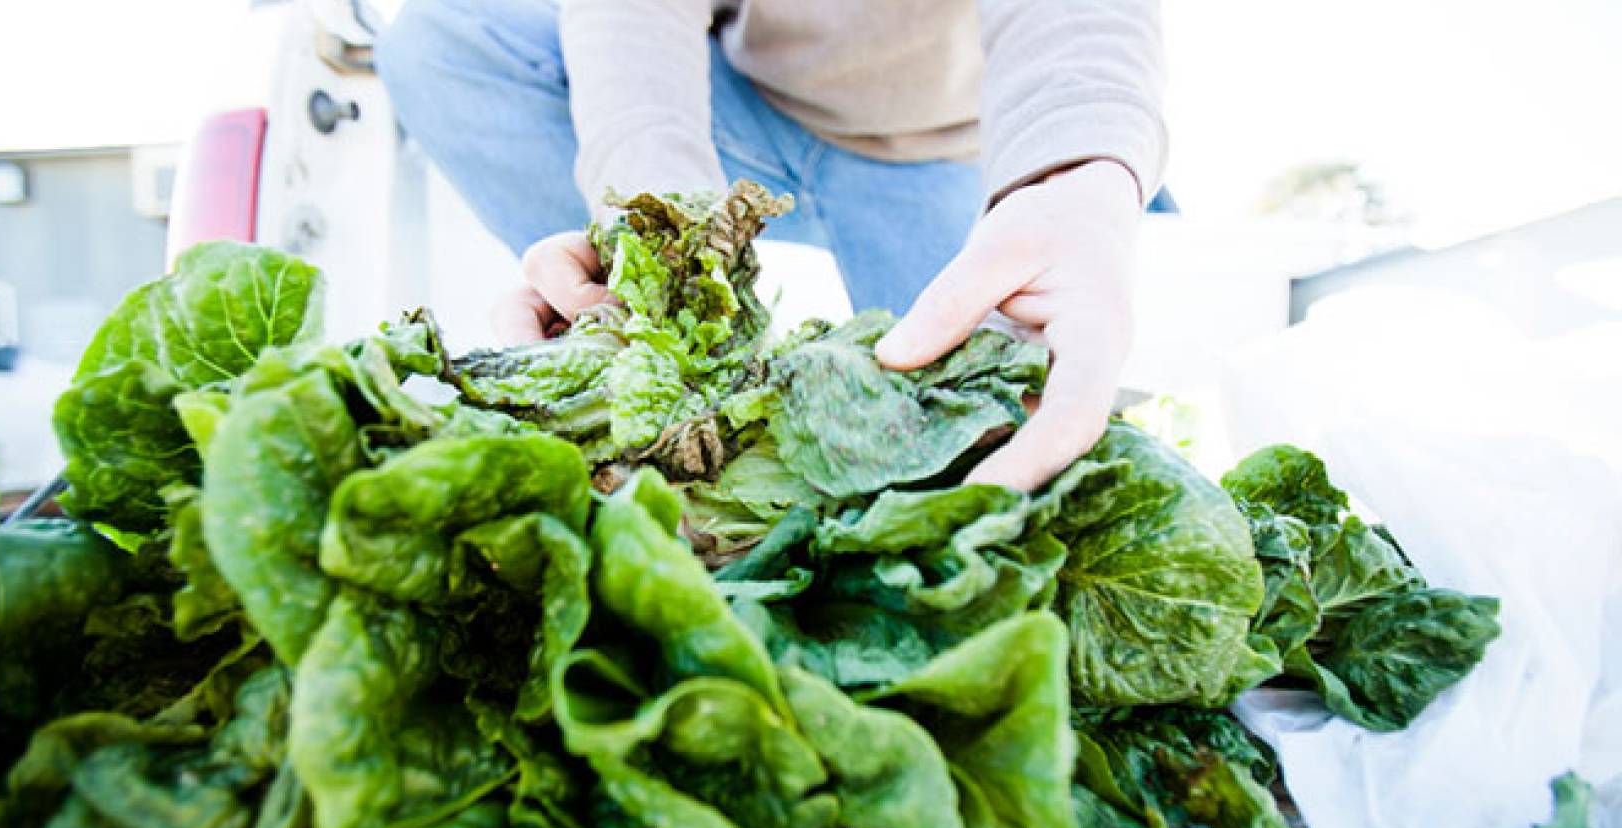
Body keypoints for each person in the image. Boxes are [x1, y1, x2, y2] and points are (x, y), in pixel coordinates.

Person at [377, 0, 1166, 492]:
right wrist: (659, 228)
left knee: (984, 442)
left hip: (944, 153)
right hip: (748, 108)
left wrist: (1073, 179)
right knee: (445, 39)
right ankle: (632, 331)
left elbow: (1078, 18)